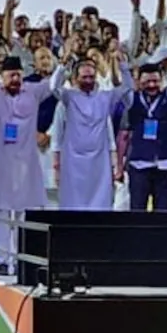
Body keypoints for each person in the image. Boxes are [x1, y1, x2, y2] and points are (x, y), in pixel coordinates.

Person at [0, 7, 55, 275]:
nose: (15, 79)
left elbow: (55, 82)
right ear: (3, 77)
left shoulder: (33, 91)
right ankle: (0, 260)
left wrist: (64, 61)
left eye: (18, 74)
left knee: (22, 216)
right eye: (10, 75)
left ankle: (20, 261)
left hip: (24, 165)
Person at [51, 43, 133, 211]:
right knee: (72, 205)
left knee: (100, 205)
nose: (88, 80)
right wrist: (62, 65)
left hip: (99, 161)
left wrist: (123, 66)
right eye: (84, 77)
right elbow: (53, 87)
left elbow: (127, 92)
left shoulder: (105, 97)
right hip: (72, 161)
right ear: (76, 78)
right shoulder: (69, 97)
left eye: (91, 77)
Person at [117, 61, 167, 213]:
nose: (151, 85)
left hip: (164, 164)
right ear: (139, 82)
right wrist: (119, 167)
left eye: (155, 81)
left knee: (163, 213)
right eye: (146, 82)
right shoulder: (132, 99)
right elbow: (123, 137)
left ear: (162, 81)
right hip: (138, 164)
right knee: (137, 211)